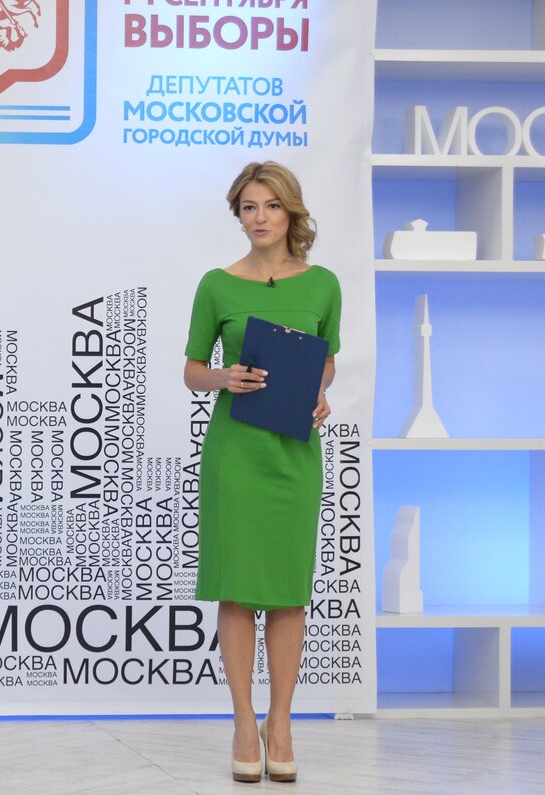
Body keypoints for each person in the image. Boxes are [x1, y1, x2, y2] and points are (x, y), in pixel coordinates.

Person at [182, 161, 341, 784]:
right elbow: (192, 370)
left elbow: (326, 360)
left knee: (287, 591)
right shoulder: (216, 285)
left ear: (290, 212)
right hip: (236, 454)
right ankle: (244, 722)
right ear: (238, 215)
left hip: (294, 453)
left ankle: (282, 722)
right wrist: (223, 377)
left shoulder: (323, 284)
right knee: (238, 588)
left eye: (271, 206)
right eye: (248, 207)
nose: (259, 218)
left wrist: (320, 391)